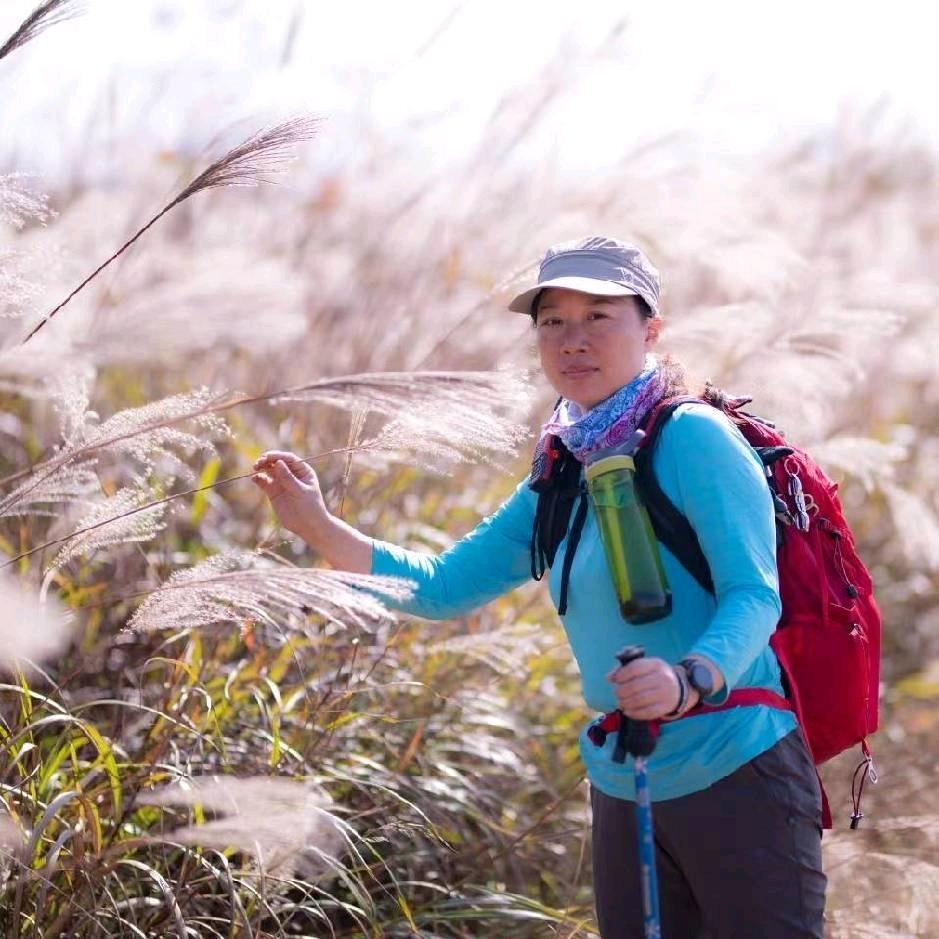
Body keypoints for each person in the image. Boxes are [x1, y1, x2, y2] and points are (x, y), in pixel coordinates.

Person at [251, 236, 827, 938]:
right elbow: (442, 587)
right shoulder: (563, 466)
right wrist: (319, 527)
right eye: (551, 320)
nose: (571, 340)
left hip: (737, 768)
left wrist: (686, 678)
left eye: (597, 317)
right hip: (626, 783)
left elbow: (752, 594)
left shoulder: (692, 438)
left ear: (650, 330)